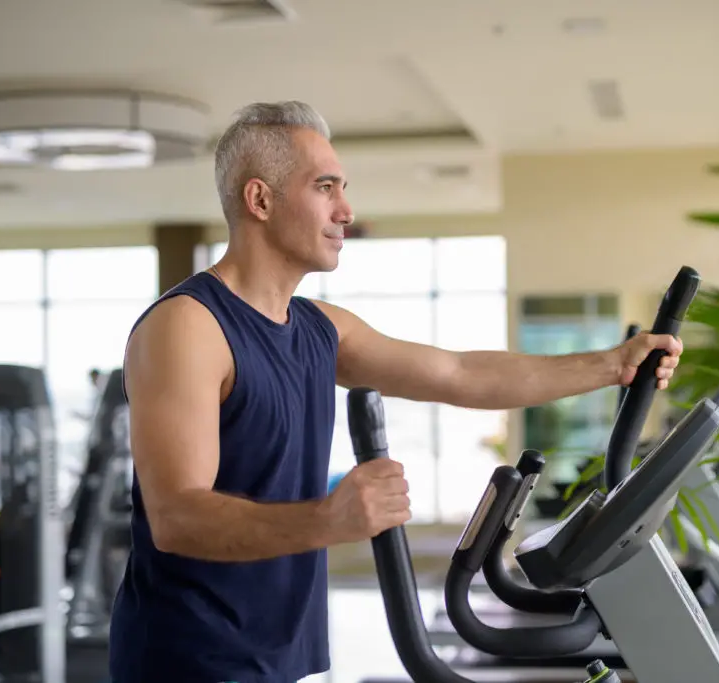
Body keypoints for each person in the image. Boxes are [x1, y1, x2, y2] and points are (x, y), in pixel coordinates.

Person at [109, 101, 684, 683]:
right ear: (260, 200)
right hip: (187, 660)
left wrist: (613, 365)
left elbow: (459, 374)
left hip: (277, 657)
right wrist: (329, 520)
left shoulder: (318, 327)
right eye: (325, 187)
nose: (346, 210)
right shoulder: (188, 326)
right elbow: (177, 517)